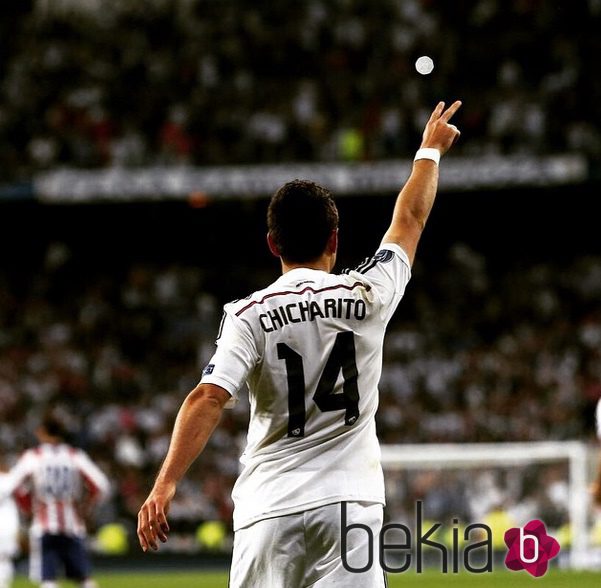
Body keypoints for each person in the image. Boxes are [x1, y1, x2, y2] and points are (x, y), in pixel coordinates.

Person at [137, 100, 462, 586]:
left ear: (273, 244)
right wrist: (429, 151)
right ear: (335, 238)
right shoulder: (369, 294)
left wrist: (165, 484)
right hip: (351, 508)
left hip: (270, 509)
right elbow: (409, 220)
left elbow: (209, 396)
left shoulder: (247, 314)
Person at [1, 412, 111, 588]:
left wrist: (27, 507)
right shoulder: (75, 455)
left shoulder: (34, 456)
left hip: (44, 525)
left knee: (48, 579)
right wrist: (85, 508)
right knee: (83, 578)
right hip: (73, 524)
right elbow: (101, 485)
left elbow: (12, 486)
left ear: (42, 432)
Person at [0, 458, 20, 588]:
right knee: (5, 559)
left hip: (6, 524)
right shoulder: (12, 479)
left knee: (4, 559)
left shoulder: (8, 479)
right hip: (10, 525)